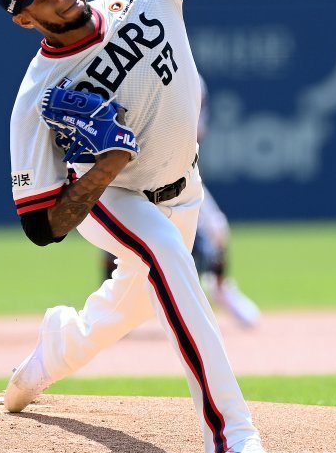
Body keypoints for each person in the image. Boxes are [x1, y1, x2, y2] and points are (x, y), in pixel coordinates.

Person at [0, 0, 275, 453]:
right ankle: (231, 436)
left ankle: (51, 354)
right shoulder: (36, 97)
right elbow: (40, 226)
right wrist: (104, 170)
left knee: (127, 306)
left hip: (186, 188)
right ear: (25, 20)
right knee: (168, 254)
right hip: (114, 198)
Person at [103, 74, 261, 327]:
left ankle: (220, 289)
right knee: (113, 241)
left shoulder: (194, 82)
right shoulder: (133, 77)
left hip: (177, 173)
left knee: (216, 229)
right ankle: (112, 307)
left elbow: (194, 137)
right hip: (133, 174)